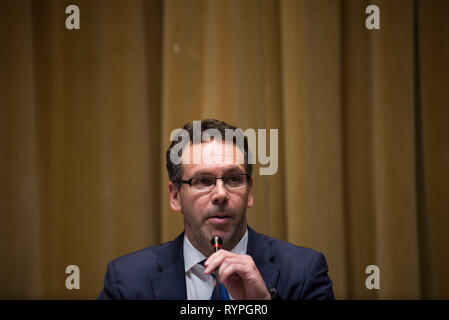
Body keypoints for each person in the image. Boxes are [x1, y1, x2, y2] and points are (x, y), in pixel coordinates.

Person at [98, 118, 335, 300]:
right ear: (175, 196)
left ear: (249, 191)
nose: (221, 194)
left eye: (233, 179)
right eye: (202, 181)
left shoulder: (304, 272)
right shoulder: (127, 280)